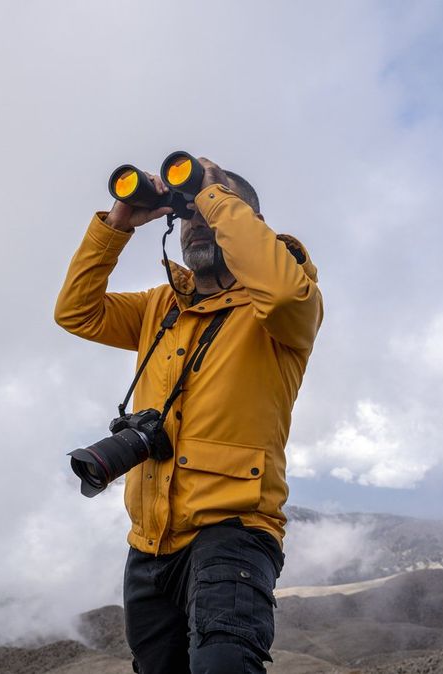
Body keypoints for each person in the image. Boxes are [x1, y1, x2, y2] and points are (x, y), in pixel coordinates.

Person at [54, 157, 323, 673]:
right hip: (149, 542)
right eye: (189, 217)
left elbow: (285, 289)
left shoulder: (283, 312)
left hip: (234, 529)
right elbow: (76, 313)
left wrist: (209, 190)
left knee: (223, 666)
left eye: (213, 214)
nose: (197, 224)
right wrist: (117, 225)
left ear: (247, 227)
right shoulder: (160, 307)